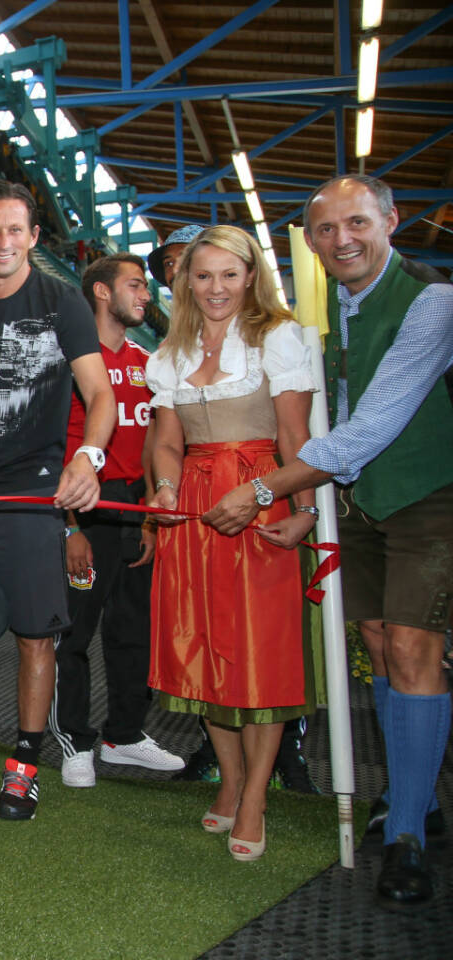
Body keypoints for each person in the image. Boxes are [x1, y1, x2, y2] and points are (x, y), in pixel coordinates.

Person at [204, 174, 453, 903]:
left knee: (412, 646)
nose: (342, 239)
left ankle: (405, 832)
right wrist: (314, 501)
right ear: (310, 242)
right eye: (325, 230)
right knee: (376, 641)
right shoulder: (315, 317)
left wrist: (265, 489)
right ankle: (420, 794)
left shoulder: (433, 304)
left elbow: (372, 424)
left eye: (357, 223)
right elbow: (316, 417)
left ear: (391, 220)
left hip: (427, 493)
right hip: (356, 501)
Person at [0, 180, 114, 821]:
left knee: (37, 637)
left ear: (34, 238)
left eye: (16, 230)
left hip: (35, 492)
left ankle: (25, 767)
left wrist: (88, 455)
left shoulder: (64, 302)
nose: (3, 242)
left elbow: (101, 396)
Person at [146, 225, 318, 863]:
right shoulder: (169, 353)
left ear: (251, 276)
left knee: (261, 655)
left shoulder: (277, 338)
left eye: (229, 274)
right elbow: (167, 443)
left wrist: (298, 511)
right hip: (194, 512)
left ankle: (255, 799)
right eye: (203, 274)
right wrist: (164, 490)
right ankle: (233, 779)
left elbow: (297, 439)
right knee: (205, 651)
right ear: (186, 280)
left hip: (259, 504)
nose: (216, 287)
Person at [50, 253, 183, 788]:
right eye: (136, 285)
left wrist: (152, 510)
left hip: (134, 507)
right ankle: (74, 742)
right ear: (102, 293)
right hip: (83, 507)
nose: (146, 295)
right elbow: (51, 446)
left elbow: (156, 441)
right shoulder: (69, 363)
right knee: (74, 633)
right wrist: (68, 528)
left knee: (134, 630)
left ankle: (124, 735)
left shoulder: (145, 362)